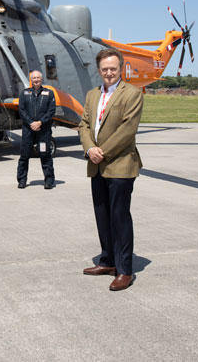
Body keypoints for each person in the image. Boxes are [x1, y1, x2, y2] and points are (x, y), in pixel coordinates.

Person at [78, 48, 143, 291]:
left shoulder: (132, 94)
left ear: (121, 68)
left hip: (120, 165)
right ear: (99, 70)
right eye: (104, 69)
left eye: (113, 68)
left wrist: (101, 151)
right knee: (102, 216)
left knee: (120, 217)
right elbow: (83, 125)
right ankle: (107, 260)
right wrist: (89, 149)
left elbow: (128, 130)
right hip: (96, 165)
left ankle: (124, 269)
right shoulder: (92, 95)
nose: (109, 73)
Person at [17, 70, 56, 189]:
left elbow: (51, 111)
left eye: (38, 77)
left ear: (41, 79)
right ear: (31, 80)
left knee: (45, 154)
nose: (36, 80)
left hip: (43, 130)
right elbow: (21, 110)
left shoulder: (49, 93)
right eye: (34, 78)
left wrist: (40, 122)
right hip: (28, 129)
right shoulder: (24, 93)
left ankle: (49, 180)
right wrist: (31, 123)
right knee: (24, 155)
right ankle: (22, 180)